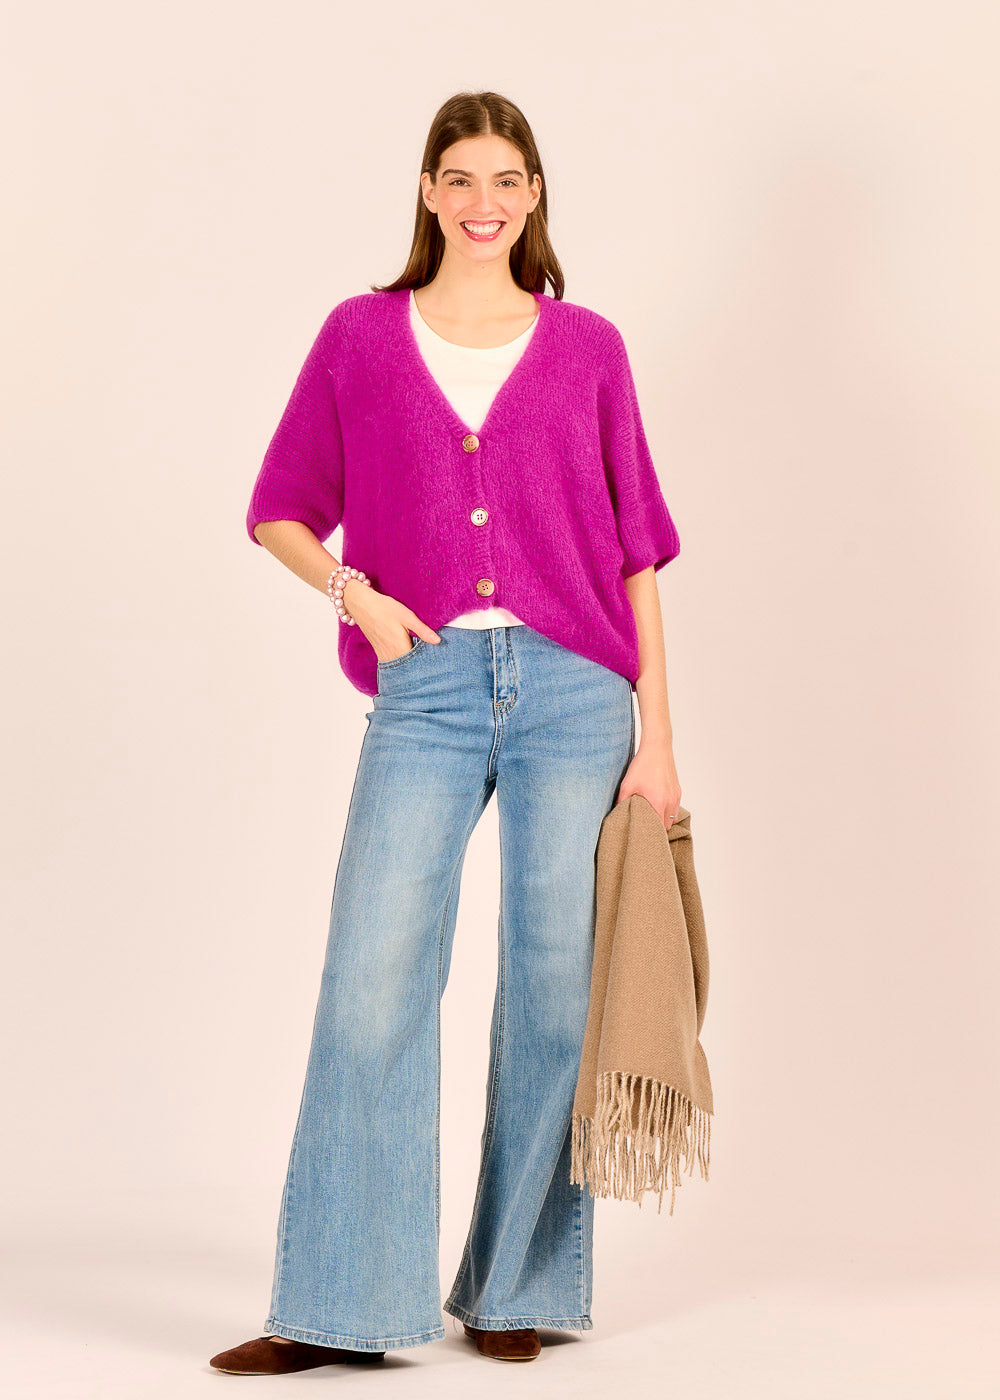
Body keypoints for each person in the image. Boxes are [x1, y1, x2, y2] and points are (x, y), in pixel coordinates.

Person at [209, 90, 683, 1377]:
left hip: (577, 692)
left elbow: (637, 552)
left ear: (534, 196)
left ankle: (514, 1283)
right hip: (423, 684)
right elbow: (278, 507)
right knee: (372, 979)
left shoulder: (586, 346)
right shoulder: (360, 336)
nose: (486, 202)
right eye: (462, 177)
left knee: (551, 987)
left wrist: (659, 738)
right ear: (427, 189)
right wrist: (353, 594)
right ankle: (336, 1305)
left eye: (508, 180)